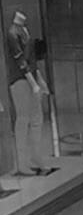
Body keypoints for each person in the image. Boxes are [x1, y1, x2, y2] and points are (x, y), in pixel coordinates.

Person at [6, 9, 51, 176]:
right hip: (19, 80)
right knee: (23, 118)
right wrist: (34, 83)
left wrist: (38, 79)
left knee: (36, 118)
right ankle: (22, 161)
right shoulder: (12, 33)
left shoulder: (24, 30)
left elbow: (31, 60)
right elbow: (20, 61)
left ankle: (36, 156)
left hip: (30, 78)